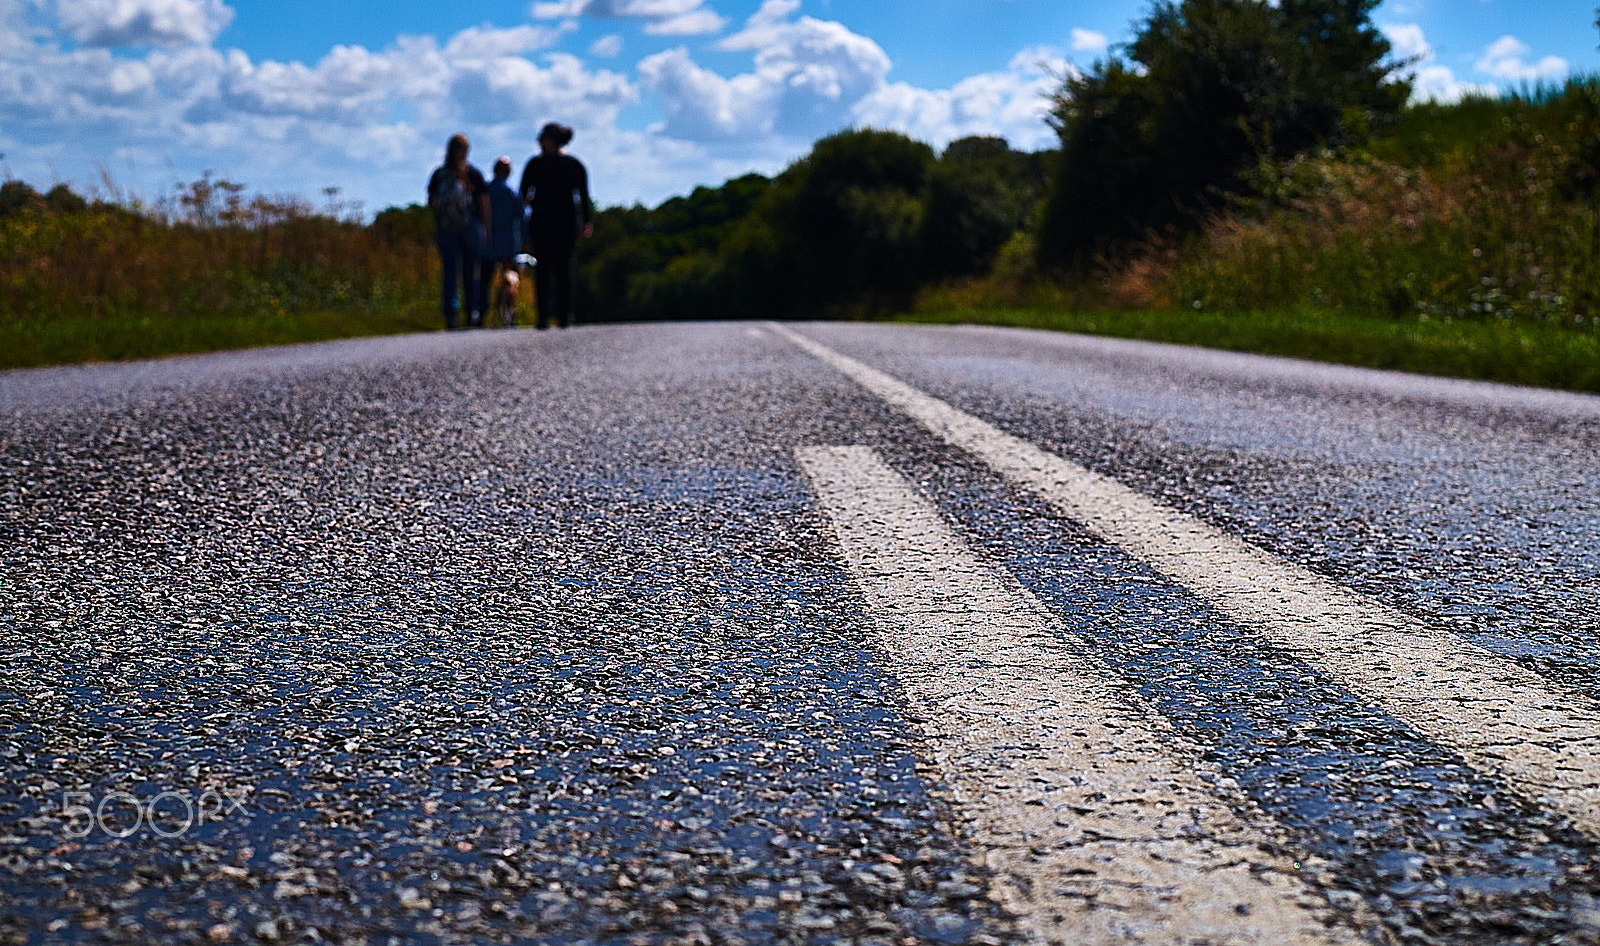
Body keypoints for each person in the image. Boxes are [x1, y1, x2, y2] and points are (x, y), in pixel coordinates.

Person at [519, 122, 593, 329]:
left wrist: (586, 220)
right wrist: (586, 220)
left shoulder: (537, 165)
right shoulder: (573, 165)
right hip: (559, 222)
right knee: (556, 269)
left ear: (551, 140)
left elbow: (524, 192)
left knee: (553, 269)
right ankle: (557, 315)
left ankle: (552, 315)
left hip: (550, 222)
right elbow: (583, 196)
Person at [427, 133, 489, 329]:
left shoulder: (439, 174)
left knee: (450, 271)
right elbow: (483, 203)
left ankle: (451, 314)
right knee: (471, 271)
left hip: (446, 228)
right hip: (469, 226)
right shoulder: (473, 174)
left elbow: (431, 202)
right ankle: (472, 311)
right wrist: (486, 228)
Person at [479, 156, 528, 326]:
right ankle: (509, 313)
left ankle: (481, 314)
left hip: (488, 243)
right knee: (510, 280)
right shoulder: (511, 192)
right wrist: (526, 241)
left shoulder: (486, 190)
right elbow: (522, 218)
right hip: (508, 244)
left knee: (484, 281)